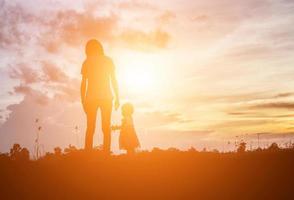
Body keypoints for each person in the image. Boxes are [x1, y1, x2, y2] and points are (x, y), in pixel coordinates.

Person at [80, 39, 119, 153]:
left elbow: (83, 84)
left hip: (91, 99)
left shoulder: (87, 62)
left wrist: (83, 101)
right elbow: (114, 80)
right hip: (107, 97)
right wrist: (117, 97)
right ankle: (106, 154)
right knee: (106, 127)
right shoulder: (108, 60)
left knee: (90, 128)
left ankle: (88, 155)